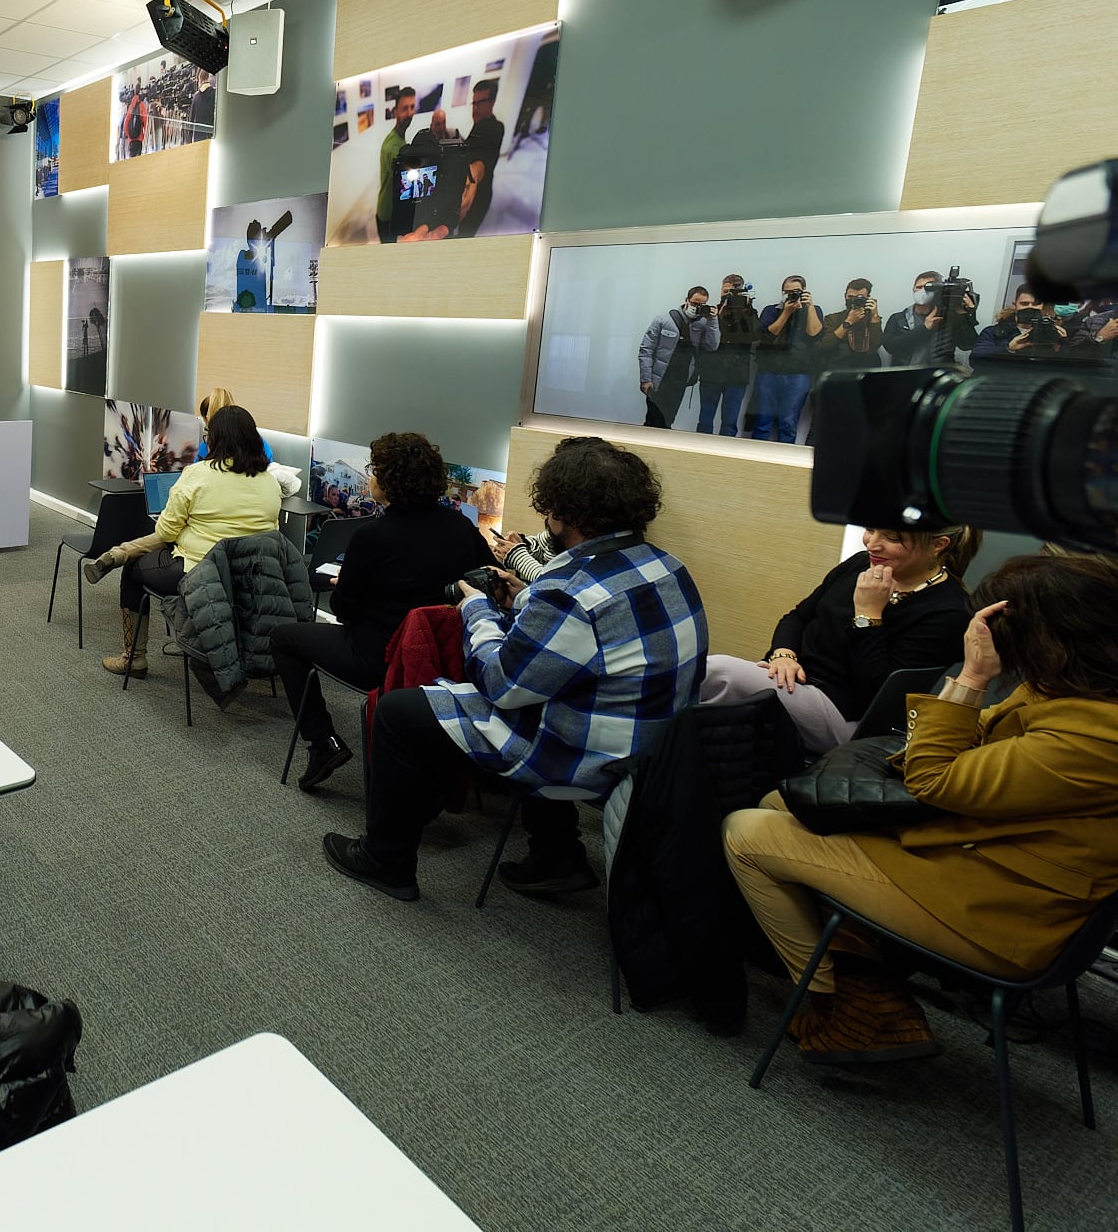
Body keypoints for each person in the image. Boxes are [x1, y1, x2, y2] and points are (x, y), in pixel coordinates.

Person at [723, 555, 1118, 1063]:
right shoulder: (1070, 687)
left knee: (746, 832)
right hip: (979, 852)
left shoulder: (1095, 733)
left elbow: (933, 776)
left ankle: (844, 1004)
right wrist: (960, 712)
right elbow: (966, 738)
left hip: (999, 907)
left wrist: (973, 675)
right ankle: (864, 969)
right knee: (784, 800)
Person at [321, 437, 705, 900]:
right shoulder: (669, 568)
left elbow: (501, 684)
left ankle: (387, 860)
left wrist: (478, 609)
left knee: (398, 712)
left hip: (588, 756)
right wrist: (522, 595)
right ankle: (556, 855)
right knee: (552, 692)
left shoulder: (569, 591)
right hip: (657, 753)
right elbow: (591, 641)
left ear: (569, 514)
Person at [272, 433, 494, 790]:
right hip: (448, 660)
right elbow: (486, 582)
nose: (370, 477)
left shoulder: (372, 535)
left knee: (283, 638)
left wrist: (344, 586)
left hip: (378, 659)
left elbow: (343, 609)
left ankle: (322, 743)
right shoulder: (462, 528)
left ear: (389, 481)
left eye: (374, 470)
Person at [700, 526, 978, 753]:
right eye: (870, 529)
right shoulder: (861, 563)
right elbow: (798, 617)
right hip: (794, 683)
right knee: (705, 716)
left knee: (716, 672)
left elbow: (879, 695)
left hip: (846, 715)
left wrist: (868, 614)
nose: (872, 544)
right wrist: (784, 654)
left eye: (892, 537)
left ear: (938, 545)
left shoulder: (949, 611)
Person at [102, 406, 283, 678]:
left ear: (215, 439)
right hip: (251, 578)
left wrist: (187, 532)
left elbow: (165, 532)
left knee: (134, 571)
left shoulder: (197, 475)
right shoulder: (270, 482)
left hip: (199, 571)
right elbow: (272, 532)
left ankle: (134, 659)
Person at [751, 274, 823, 444]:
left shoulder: (813, 310)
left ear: (804, 292)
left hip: (798, 373)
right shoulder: (771, 310)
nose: (791, 295)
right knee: (762, 421)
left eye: (796, 292)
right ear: (782, 293)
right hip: (769, 371)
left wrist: (809, 306)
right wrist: (786, 312)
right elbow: (767, 335)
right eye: (788, 292)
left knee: (788, 423)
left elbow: (815, 334)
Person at [638, 285, 719, 429]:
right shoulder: (664, 319)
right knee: (653, 419)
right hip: (659, 379)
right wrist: (646, 379)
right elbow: (646, 349)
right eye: (695, 303)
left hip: (681, 380)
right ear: (686, 300)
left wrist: (713, 320)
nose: (697, 307)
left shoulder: (704, 323)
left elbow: (712, 346)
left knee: (668, 420)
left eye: (702, 305)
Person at [698, 274, 758, 436]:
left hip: (737, 375)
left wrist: (746, 310)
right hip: (711, 372)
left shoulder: (750, 312)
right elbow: (704, 340)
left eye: (732, 293)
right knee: (705, 419)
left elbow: (753, 337)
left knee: (730, 421)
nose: (728, 296)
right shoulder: (712, 312)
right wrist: (718, 316)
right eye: (725, 292)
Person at [881, 270, 980, 366]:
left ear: (938, 290)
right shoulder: (898, 318)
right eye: (918, 287)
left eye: (928, 287)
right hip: (905, 376)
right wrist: (924, 329)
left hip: (938, 377)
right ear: (913, 289)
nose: (922, 291)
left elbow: (968, 345)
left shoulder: (948, 318)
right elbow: (890, 346)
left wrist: (962, 314)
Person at [455, 78, 504, 239]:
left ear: (492, 102)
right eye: (474, 103)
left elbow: (482, 162)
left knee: (465, 236)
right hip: (470, 193)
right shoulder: (478, 124)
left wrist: (472, 178)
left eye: (480, 102)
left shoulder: (496, 128)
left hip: (479, 198)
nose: (475, 109)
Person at [972, 287, 1073, 360]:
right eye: (1024, 303)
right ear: (1015, 305)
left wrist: (1062, 345)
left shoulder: (1053, 332)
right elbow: (975, 360)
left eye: (1036, 304)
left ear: (1043, 306)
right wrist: (1009, 349)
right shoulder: (993, 332)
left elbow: (1069, 368)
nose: (1030, 307)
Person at [375, 86, 417, 245]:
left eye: (412, 107)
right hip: (387, 213)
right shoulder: (393, 146)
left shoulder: (398, 138)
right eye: (405, 108)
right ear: (396, 112)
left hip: (390, 210)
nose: (409, 113)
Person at [817, 278, 885, 371]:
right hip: (839, 370)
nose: (854, 301)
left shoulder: (872, 318)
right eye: (851, 297)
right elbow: (825, 345)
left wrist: (874, 316)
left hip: (868, 368)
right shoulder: (833, 318)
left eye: (859, 298)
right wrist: (848, 322)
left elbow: (876, 344)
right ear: (845, 296)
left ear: (867, 298)